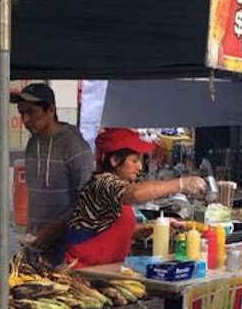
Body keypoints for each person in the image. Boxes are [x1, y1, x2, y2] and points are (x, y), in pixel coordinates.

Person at [63, 128, 206, 268]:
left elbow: (120, 230)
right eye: (134, 160)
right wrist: (181, 184)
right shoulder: (102, 183)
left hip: (104, 271)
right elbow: (136, 194)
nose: (139, 167)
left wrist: (156, 226)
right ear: (114, 160)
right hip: (83, 270)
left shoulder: (117, 188)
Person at [11, 83, 94, 265]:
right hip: (35, 245)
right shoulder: (33, 143)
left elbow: (88, 199)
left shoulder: (74, 146)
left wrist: (55, 227)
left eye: (31, 112)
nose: (25, 119)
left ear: (50, 110)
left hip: (65, 249)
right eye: (21, 113)